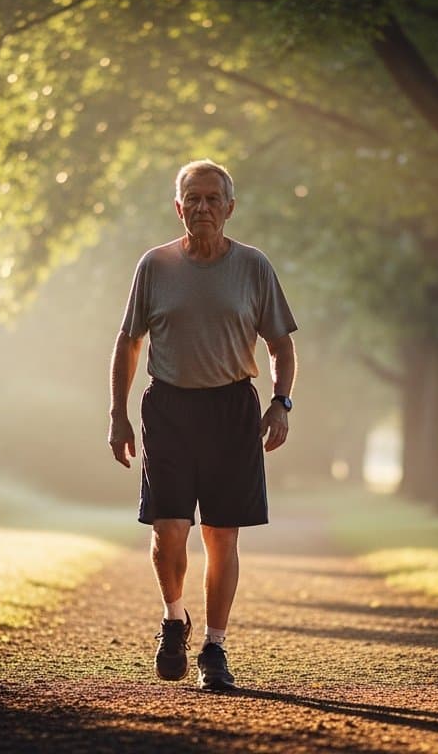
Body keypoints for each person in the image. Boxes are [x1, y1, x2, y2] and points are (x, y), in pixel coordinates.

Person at [107, 159, 298, 691]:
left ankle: (215, 648)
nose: (203, 207)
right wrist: (117, 413)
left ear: (230, 208)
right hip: (167, 408)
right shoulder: (155, 266)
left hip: (232, 410)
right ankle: (174, 619)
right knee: (168, 531)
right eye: (193, 198)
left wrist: (281, 403)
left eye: (213, 198)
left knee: (220, 534)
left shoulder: (254, 267)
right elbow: (129, 342)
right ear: (178, 206)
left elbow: (281, 344)